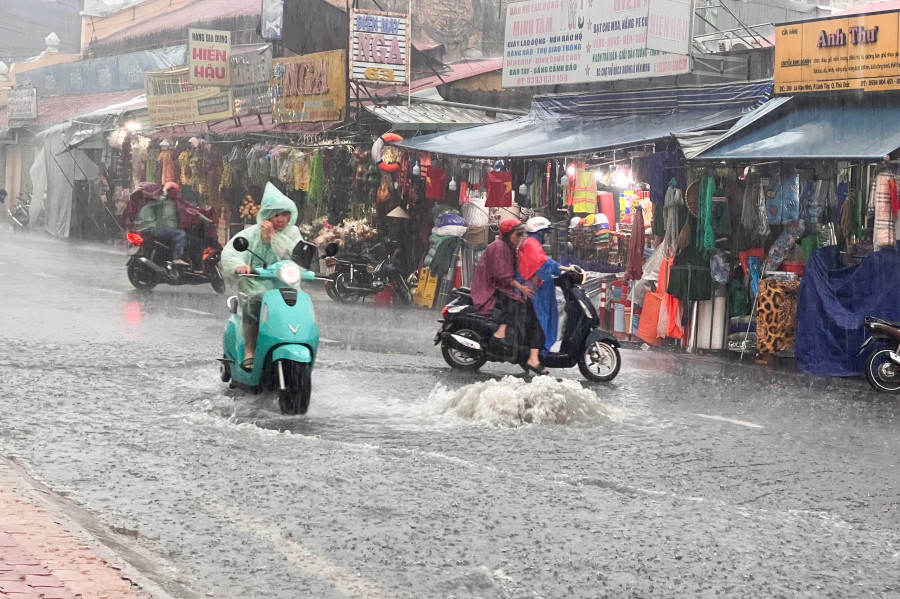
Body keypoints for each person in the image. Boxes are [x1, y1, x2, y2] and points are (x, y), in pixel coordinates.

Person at [221, 183, 303, 371]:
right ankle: (250, 351)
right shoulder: (251, 234)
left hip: (285, 284)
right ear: (266, 215)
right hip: (256, 283)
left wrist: (274, 238)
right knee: (254, 304)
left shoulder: (293, 233)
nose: (280, 219)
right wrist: (239, 266)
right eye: (275, 214)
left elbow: (296, 254)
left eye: (284, 214)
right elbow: (230, 253)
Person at [470, 218, 547, 375]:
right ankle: (501, 339)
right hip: (492, 288)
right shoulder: (499, 248)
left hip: (504, 285)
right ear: (507, 234)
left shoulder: (508, 246)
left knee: (529, 308)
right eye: (517, 235)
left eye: (522, 235)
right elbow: (502, 276)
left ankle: (517, 344)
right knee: (523, 308)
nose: (520, 238)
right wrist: (521, 288)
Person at [517, 216, 572, 354]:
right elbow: (541, 262)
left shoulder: (531, 242)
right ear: (539, 232)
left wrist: (558, 269)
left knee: (544, 317)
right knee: (541, 319)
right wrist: (562, 268)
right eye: (546, 233)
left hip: (536, 287)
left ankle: (540, 350)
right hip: (533, 289)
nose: (546, 237)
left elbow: (542, 261)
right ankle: (538, 351)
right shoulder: (531, 243)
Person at [132, 181, 189, 266]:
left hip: (143, 229)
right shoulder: (156, 203)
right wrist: (165, 190)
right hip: (152, 229)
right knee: (181, 234)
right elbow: (162, 205)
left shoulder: (144, 205)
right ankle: (177, 258)